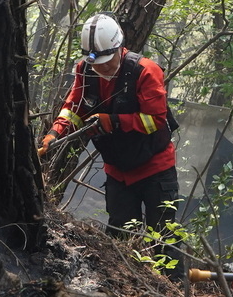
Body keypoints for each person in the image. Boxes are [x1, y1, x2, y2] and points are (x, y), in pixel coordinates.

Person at [40, 14, 180, 243]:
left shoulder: (145, 71)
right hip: (118, 172)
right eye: (96, 63)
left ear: (119, 48)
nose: (101, 68)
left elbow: (154, 119)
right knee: (120, 238)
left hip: (155, 167)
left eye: (106, 61)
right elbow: (74, 108)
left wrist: (114, 121)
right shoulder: (85, 70)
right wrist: (54, 132)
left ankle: (170, 279)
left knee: (164, 240)